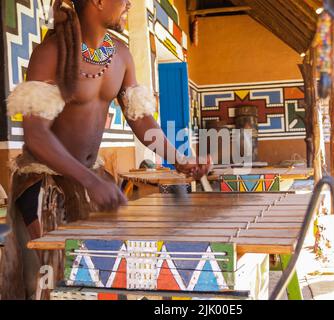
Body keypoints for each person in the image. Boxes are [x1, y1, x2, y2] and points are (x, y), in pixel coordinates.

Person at [0, 0, 211, 300]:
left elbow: (141, 120)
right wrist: (90, 181)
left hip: (91, 181)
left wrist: (180, 160)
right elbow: (36, 137)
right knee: (56, 282)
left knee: (109, 272)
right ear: (98, 2)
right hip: (43, 184)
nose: (128, 5)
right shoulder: (51, 53)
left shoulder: (121, 56)